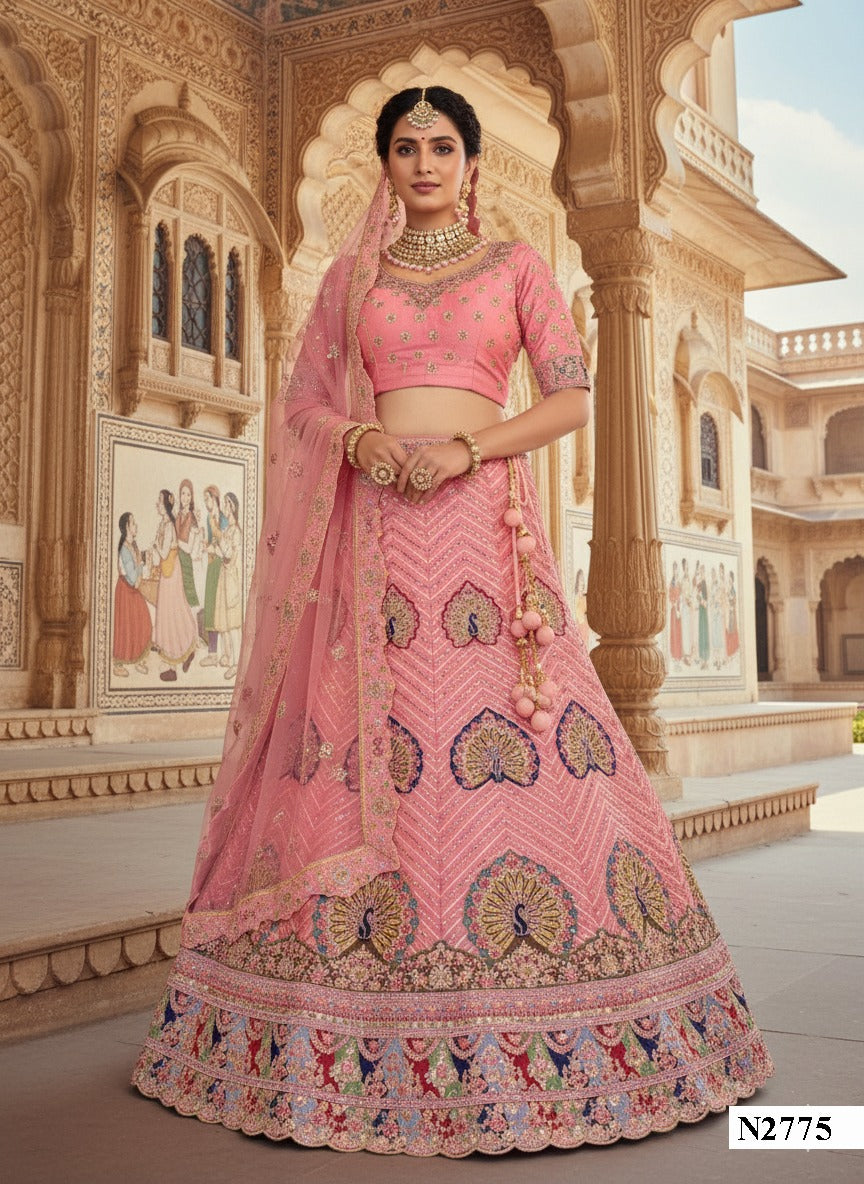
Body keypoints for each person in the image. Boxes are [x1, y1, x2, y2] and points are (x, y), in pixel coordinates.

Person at [133, 85, 771, 1154]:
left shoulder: (519, 269)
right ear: (384, 165)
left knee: (520, 741)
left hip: (486, 533)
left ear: (472, 165)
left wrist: (471, 450)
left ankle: (555, 1016)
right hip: (376, 538)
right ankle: (337, 1030)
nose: (423, 161)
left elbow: (572, 394)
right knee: (365, 747)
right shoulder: (351, 280)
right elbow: (301, 404)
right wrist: (356, 440)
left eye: (441, 145)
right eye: (403, 146)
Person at [150, 489, 198, 682]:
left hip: (172, 571)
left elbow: (162, 552)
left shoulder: (169, 526)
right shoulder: (163, 524)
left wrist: (155, 545)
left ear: (166, 506)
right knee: (166, 613)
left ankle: (184, 652)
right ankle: (173, 663)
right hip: (166, 572)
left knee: (174, 611)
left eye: (160, 502)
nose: (157, 504)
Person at [112, 511, 151, 677]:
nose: (136, 526)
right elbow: (134, 577)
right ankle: (119, 663)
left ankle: (138, 660)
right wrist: (143, 563)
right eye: (133, 523)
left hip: (133, 589)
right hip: (126, 591)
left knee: (144, 623)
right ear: (127, 527)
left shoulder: (133, 545)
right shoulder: (124, 549)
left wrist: (143, 561)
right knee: (126, 628)